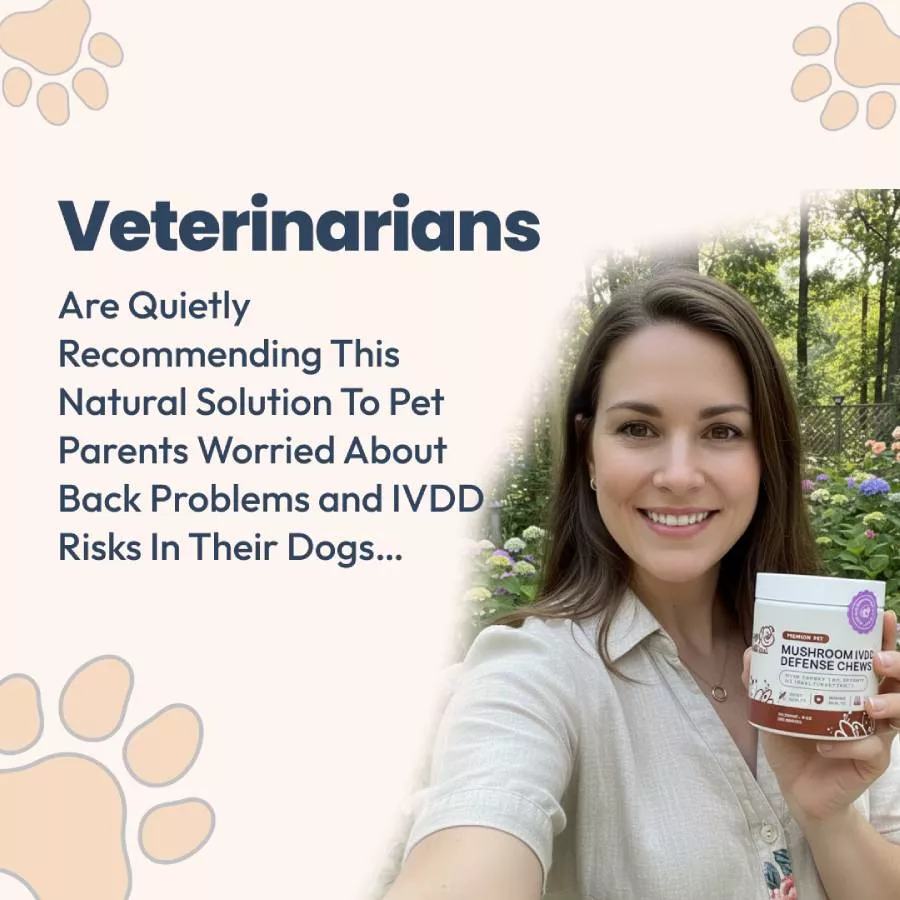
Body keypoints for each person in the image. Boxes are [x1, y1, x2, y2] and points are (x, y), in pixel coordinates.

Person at [382, 271, 900, 900]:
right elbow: (473, 838)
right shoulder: (531, 672)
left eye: (723, 432)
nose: (679, 475)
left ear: (766, 457)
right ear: (590, 452)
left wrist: (829, 817)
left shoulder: (833, 657)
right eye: (637, 428)